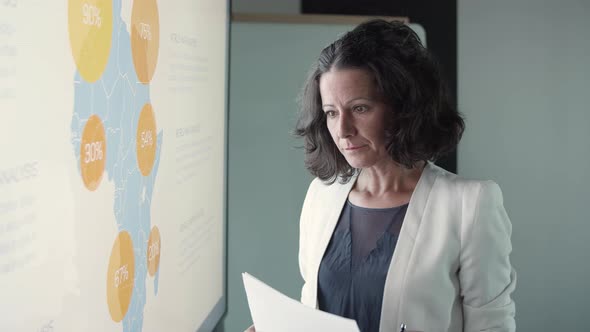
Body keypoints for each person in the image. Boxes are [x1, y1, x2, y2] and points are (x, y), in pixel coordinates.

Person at [247, 19, 516, 332]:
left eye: (360, 108)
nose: (343, 130)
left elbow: (492, 327)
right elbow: (317, 312)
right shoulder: (321, 194)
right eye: (332, 112)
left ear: (403, 108)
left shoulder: (470, 204)